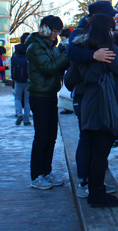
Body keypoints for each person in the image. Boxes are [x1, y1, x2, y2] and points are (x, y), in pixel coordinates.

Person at [69, 13, 118, 207]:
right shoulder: (106, 49)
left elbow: (70, 81)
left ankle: (96, 191)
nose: (112, 32)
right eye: (111, 29)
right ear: (106, 30)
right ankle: (97, 195)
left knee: (94, 151)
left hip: (89, 104)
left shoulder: (83, 49)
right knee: (100, 154)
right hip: (105, 105)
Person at [65, 1, 118, 197]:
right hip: (85, 93)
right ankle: (84, 181)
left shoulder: (100, 31)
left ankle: (97, 183)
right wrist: (93, 54)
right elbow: (71, 52)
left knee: (99, 140)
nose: (113, 18)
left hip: (97, 94)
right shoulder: (80, 33)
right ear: (98, 16)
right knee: (87, 137)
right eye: (109, 15)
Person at [27, 15, 70, 190]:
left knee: (51, 136)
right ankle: (36, 176)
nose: (57, 34)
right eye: (55, 31)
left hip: (50, 94)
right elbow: (48, 68)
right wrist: (66, 57)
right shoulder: (35, 47)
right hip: (39, 96)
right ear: (45, 29)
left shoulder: (49, 46)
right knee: (42, 137)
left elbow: (55, 67)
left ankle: (46, 172)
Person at [12, 33, 31, 126]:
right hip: (28, 79)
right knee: (27, 100)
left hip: (18, 79)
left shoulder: (16, 52)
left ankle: (19, 113)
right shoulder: (30, 50)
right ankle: (26, 119)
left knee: (17, 97)